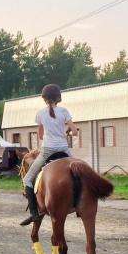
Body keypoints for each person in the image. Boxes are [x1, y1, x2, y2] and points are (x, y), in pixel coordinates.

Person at [19, 84, 78, 226]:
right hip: (64, 150)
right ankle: (79, 207)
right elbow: (75, 132)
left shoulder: (40, 114)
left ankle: (34, 213)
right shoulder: (64, 111)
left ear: (44, 99)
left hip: (47, 151)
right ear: (58, 98)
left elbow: (40, 134)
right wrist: (66, 133)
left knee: (27, 179)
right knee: (79, 173)